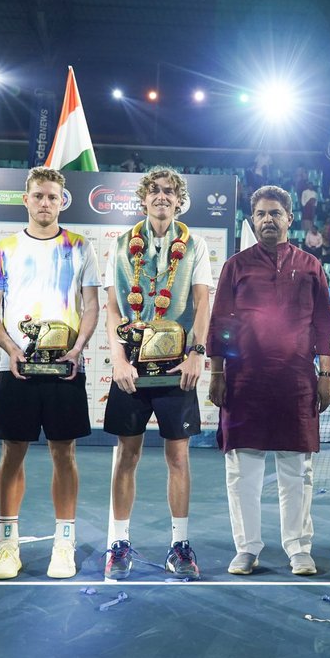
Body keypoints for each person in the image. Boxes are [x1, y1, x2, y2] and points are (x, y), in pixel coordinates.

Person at [208, 185, 330, 576]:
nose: (268, 220)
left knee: (297, 470)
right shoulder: (236, 265)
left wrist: (326, 374)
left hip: (297, 381)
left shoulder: (311, 265)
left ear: (289, 218)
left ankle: (298, 548)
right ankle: (246, 548)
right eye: (261, 214)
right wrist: (217, 373)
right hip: (245, 382)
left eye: (275, 213)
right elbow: (221, 324)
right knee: (242, 469)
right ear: (252, 219)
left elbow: (323, 324)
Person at [0, 167, 100, 580]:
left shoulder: (81, 247)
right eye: (38, 196)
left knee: (63, 453)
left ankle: (63, 543)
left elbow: (91, 307)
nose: (45, 203)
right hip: (16, 367)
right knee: (12, 452)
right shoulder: (5, 248)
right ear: (26, 199)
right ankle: (7, 546)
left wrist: (77, 350)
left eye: (52, 197)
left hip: (65, 368)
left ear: (60, 201)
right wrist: (13, 349)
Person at [102, 167, 211, 580]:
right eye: (155, 191)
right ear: (144, 199)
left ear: (179, 200)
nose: (162, 197)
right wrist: (117, 359)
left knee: (178, 456)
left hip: (176, 362)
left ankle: (180, 545)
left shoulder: (195, 244)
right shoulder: (120, 243)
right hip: (131, 361)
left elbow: (202, 303)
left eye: (170, 192)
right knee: (126, 455)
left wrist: (197, 353)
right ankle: (118, 542)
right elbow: (113, 307)